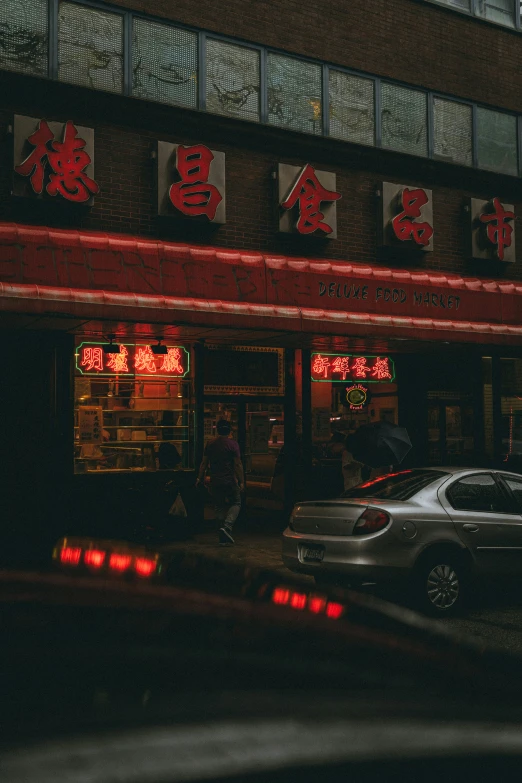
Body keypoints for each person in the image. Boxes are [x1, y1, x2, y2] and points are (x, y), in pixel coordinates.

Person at [196, 419, 244, 545]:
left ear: (217, 430)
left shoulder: (210, 444)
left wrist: (199, 477)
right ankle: (227, 526)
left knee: (219, 506)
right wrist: (242, 481)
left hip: (215, 481)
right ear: (229, 431)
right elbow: (238, 464)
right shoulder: (233, 445)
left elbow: (204, 463)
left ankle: (222, 533)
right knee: (236, 502)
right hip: (230, 480)